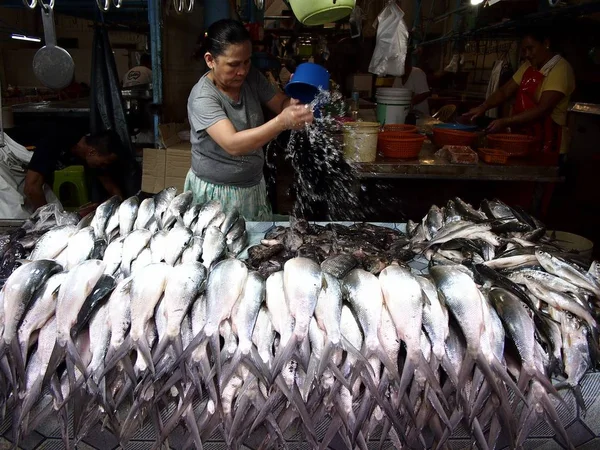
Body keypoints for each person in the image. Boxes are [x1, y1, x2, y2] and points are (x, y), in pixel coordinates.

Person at [186, 19, 314, 221]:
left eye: (247, 61)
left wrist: (297, 103)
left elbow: (280, 104)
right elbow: (233, 144)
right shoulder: (203, 97)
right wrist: (282, 122)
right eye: (234, 64)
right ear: (210, 60)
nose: (242, 71)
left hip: (253, 185)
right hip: (216, 194)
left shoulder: (251, 78)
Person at [465, 27, 575, 156]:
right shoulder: (528, 66)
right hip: (526, 138)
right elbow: (505, 91)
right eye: (524, 50)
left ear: (546, 44)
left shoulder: (560, 69)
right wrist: (483, 107)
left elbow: (543, 109)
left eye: (531, 48)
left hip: (550, 144)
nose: (527, 54)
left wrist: (505, 121)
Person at [24, 130, 122, 210]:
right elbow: (31, 188)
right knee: (20, 214)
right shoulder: (55, 141)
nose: (103, 167)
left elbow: (112, 189)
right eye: (103, 163)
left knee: (56, 212)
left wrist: (122, 209)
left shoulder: (88, 155)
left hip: (34, 174)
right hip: (15, 162)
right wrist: (47, 218)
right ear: (92, 152)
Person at [393, 47, 431, 116]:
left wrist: (410, 102)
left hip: (420, 116)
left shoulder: (417, 73)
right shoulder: (398, 77)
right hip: (403, 115)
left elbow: (425, 93)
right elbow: (394, 94)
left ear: (407, 63)